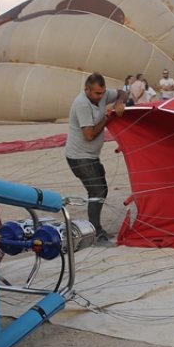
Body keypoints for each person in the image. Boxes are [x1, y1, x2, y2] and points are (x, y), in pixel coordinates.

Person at [65, 73, 127, 245]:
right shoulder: (82, 105)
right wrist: (108, 118)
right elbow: (89, 135)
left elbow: (123, 92)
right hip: (79, 157)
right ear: (87, 90)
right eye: (97, 94)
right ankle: (95, 234)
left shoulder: (103, 95)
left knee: (102, 190)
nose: (100, 97)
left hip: (91, 156)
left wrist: (119, 102)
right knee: (97, 191)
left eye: (103, 93)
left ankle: (96, 229)